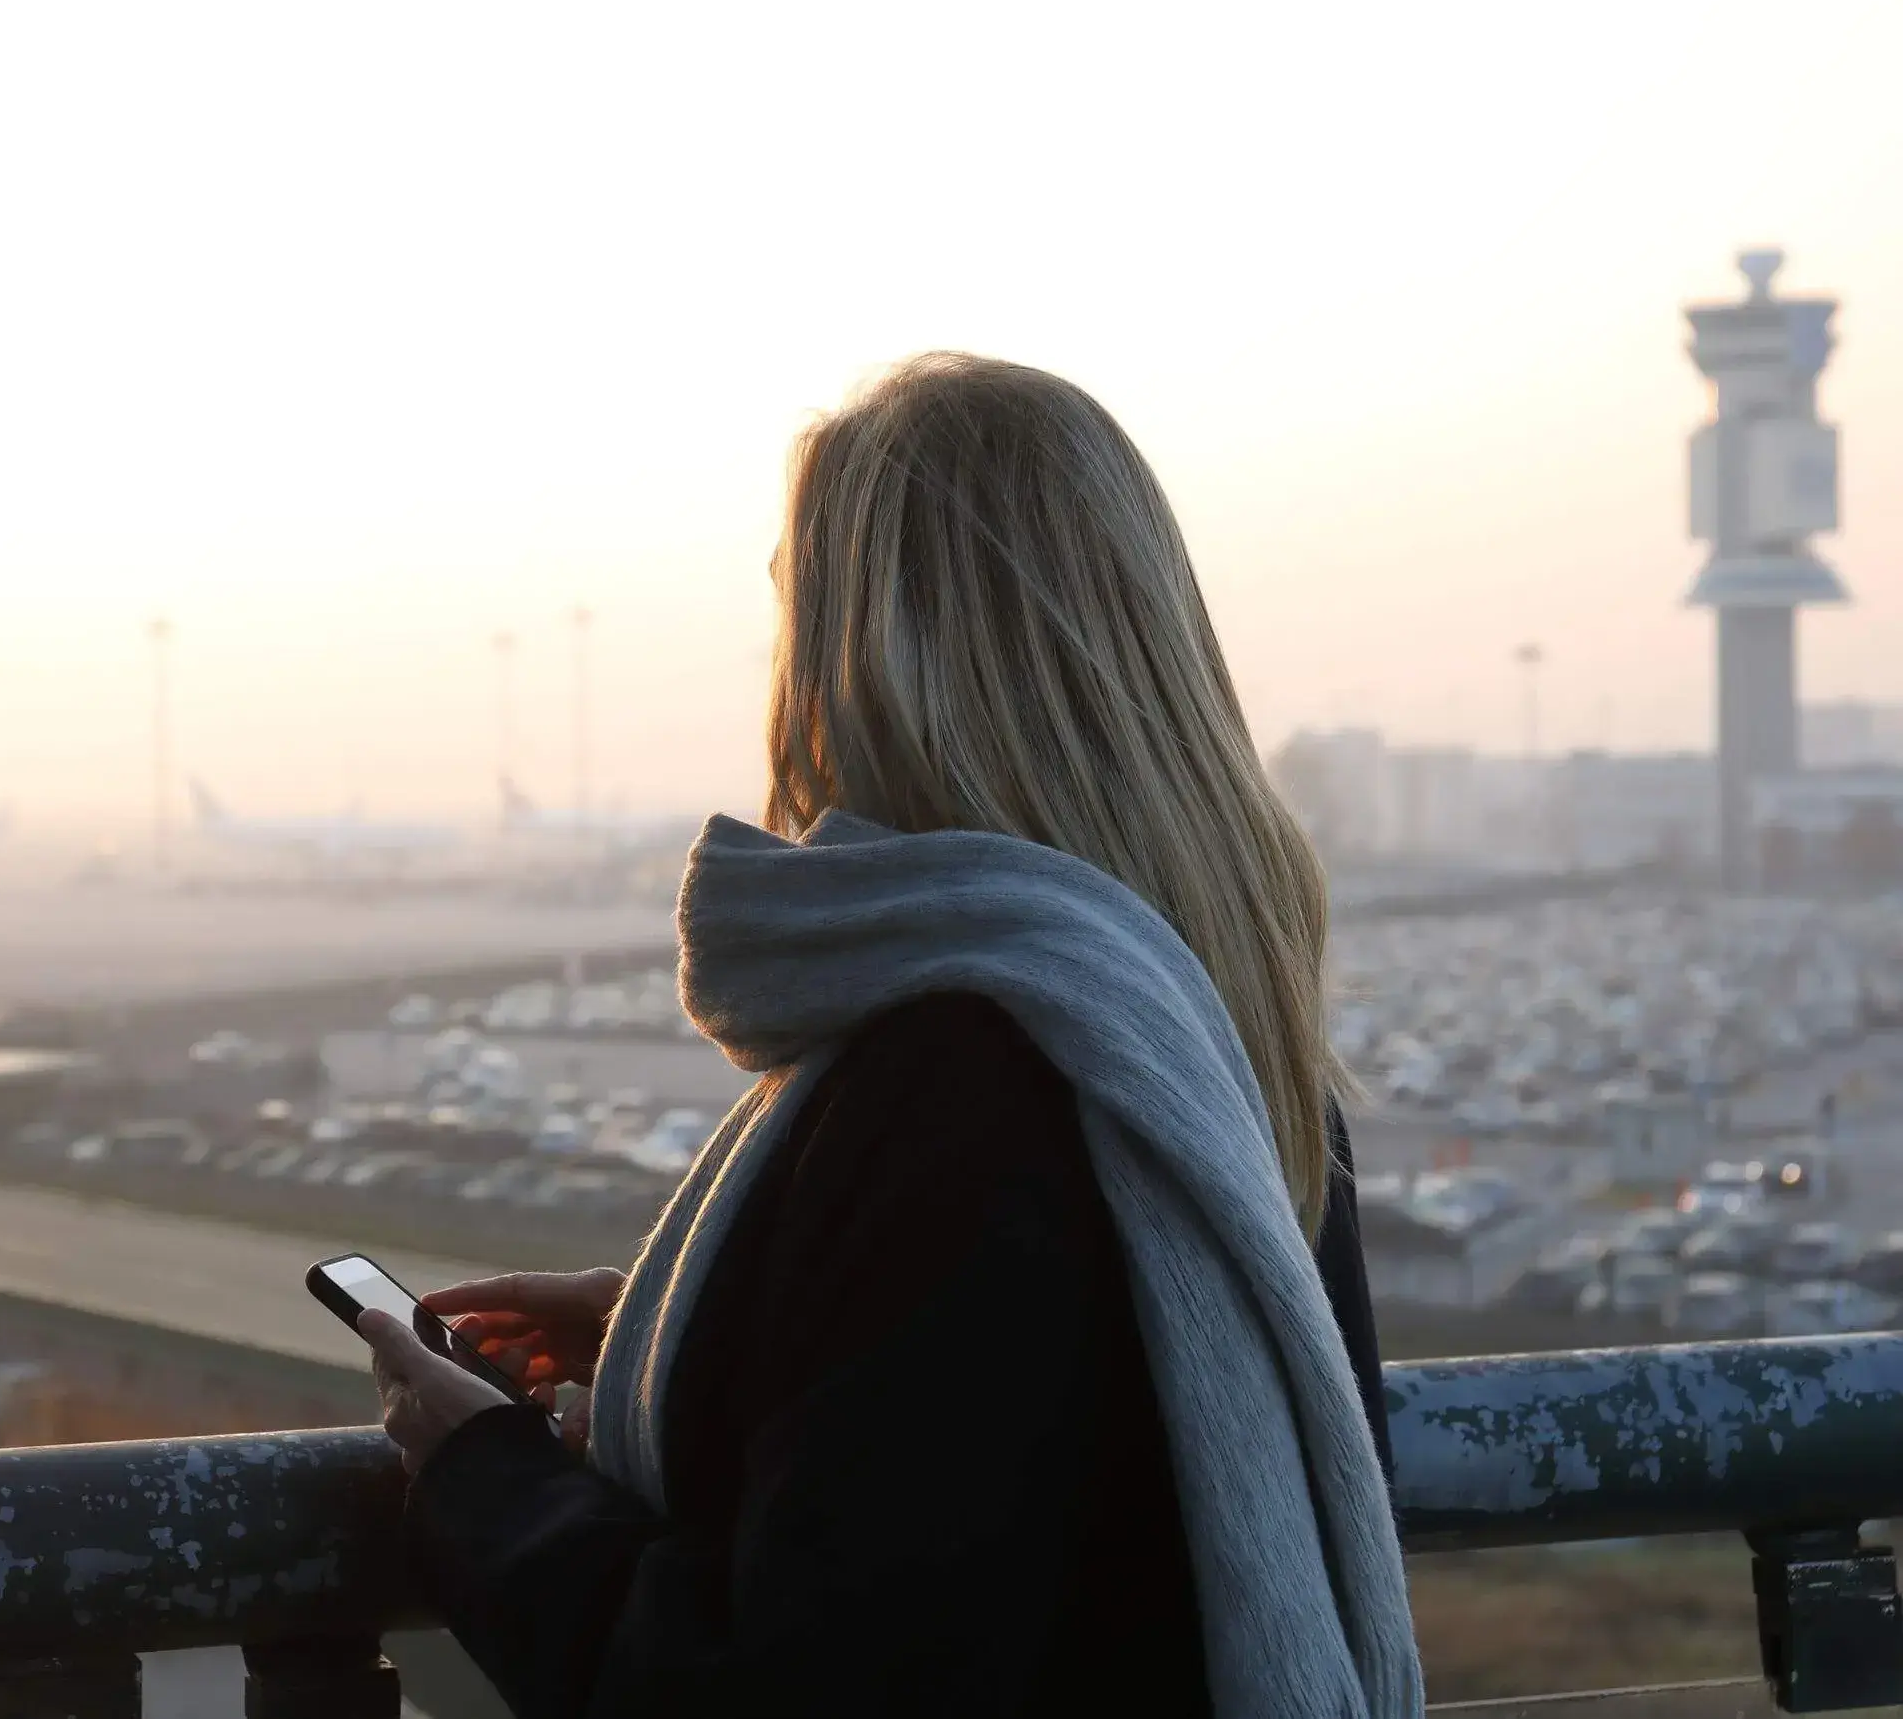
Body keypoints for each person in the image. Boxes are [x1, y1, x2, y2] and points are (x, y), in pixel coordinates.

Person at [353, 354, 1422, 1719]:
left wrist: (483, 1474)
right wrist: (686, 1324)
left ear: (863, 658)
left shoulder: (968, 1077)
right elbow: (1067, 1436)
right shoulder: (1214, 1034)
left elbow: (803, 1682)